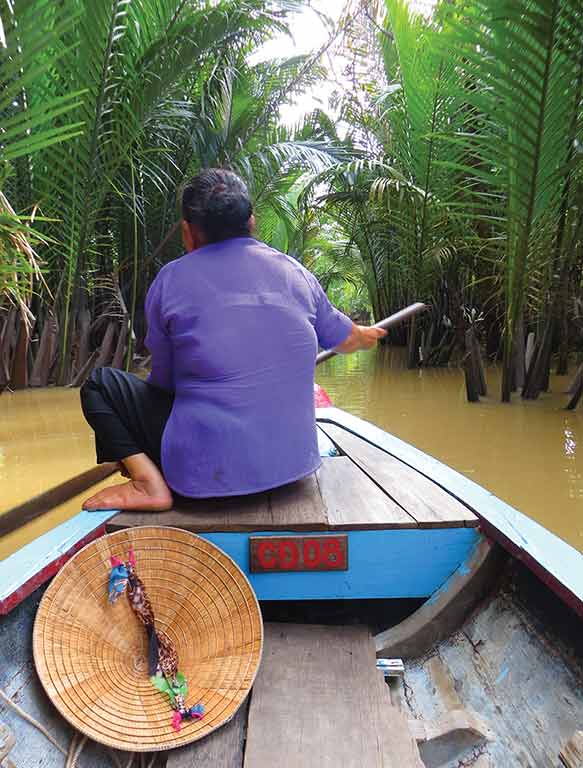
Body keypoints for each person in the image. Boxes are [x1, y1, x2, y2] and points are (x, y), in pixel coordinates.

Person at [80, 169, 385, 511]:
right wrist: (366, 336)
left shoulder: (170, 280)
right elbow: (346, 340)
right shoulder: (296, 273)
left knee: (100, 384)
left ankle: (149, 484)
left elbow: (165, 383)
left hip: (202, 478)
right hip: (294, 470)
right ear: (252, 223)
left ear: (188, 232)